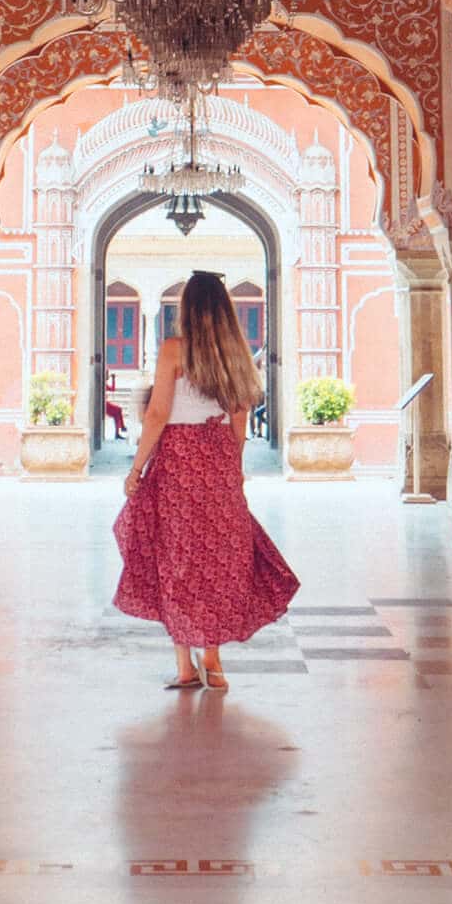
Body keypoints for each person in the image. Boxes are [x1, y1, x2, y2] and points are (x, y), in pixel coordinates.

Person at [113, 270, 299, 691]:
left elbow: (158, 414)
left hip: (178, 462)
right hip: (216, 459)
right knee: (216, 559)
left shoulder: (175, 349)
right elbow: (239, 419)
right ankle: (211, 658)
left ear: (188, 309)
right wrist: (233, 469)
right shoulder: (235, 352)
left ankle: (184, 665)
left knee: (173, 557)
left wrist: (137, 467)